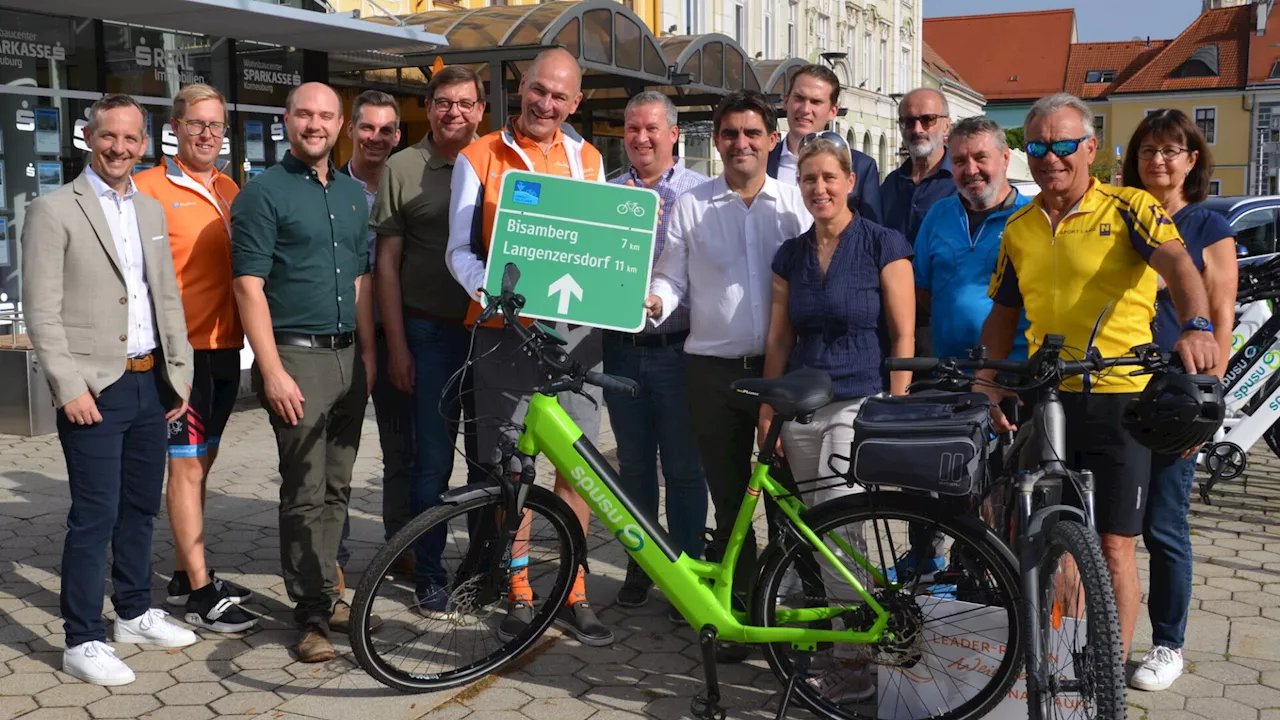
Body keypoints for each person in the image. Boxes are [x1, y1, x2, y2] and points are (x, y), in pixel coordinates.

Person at [977, 93, 1220, 663]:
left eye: (1064, 145)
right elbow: (1004, 313)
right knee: (1046, 539)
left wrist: (1198, 325)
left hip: (1120, 396)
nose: (1051, 157)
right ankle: (1056, 658)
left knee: (1114, 544)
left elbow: (1180, 264)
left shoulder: (1129, 205)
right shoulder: (1019, 227)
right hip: (1048, 397)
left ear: (1089, 148)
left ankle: (1103, 670)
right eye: (1037, 146)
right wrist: (986, 379)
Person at [24, 93, 197, 686]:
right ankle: (81, 638)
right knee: (94, 516)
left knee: (141, 507)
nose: (119, 148)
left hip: (153, 381)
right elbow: (41, 311)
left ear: (144, 143)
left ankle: (132, 610)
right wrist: (67, 386)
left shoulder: (149, 209)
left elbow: (164, 295)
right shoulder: (54, 209)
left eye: (130, 138)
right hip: (95, 387)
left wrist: (181, 371)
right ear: (88, 137)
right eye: (108, 137)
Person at [446, 48, 613, 646]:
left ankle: (573, 591)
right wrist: (494, 294)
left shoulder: (587, 158)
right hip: (504, 334)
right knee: (511, 468)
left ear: (576, 103)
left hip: (575, 335)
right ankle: (517, 588)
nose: (546, 104)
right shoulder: (479, 154)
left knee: (577, 467)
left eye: (559, 96)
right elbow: (458, 250)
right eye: (538, 90)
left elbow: (598, 246)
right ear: (521, 87)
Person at [646, 90, 812, 660]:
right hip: (712, 375)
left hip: (782, 377)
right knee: (730, 499)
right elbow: (671, 278)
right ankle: (739, 613)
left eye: (751, 133)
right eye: (729, 134)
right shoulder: (692, 205)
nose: (740, 143)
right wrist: (654, 302)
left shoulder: (796, 204)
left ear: (771, 139)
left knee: (789, 500)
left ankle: (794, 615)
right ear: (715, 142)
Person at [759, 136, 914, 701]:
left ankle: (857, 663)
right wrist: (768, 405)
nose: (819, 188)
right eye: (808, 180)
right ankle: (847, 644)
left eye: (829, 177)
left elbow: (901, 334)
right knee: (819, 534)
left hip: (858, 399)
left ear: (850, 180)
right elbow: (779, 336)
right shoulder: (791, 254)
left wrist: (894, 410)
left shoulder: (882, 243)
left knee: (838, 526)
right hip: (799, 406)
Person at [231, 82, 375, 663]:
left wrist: (368, 354)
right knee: (305, 489)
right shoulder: (262, 194)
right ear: (287, 120)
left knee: (337, 485)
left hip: (348, 359)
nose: (315, 125)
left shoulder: (351, 194)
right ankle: (311, 613)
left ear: (340, 124)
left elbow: (361, 280)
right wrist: (271, 371)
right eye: (304, 115)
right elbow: (248, 286)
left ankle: (330, 592)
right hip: (297, 359)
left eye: (326, 116)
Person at [134, 84, 257, 635]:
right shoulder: (147, 187)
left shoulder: (232, 187)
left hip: (227, 348)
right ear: (175, 128)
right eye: (196, 124)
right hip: (178, 355)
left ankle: (186, 571)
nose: (206, 134)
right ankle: (202, 593)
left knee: (202, 463)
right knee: (184, 467)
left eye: (216, 125)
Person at [1122, 110, 1237, 692]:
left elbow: (1220, 318)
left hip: (1177, 393)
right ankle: (1102, 632)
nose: (1158, 161)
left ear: (1192, 161)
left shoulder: (1207, 226)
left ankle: (1168, 644)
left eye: (1171, 150)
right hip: (1118, 386)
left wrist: (1207, 405)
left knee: (1164, 526)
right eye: (1148, 150)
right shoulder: (1120, 215)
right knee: (1112, 526)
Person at [373, 65, 487, 618]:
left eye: (466, 103)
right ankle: (430, 575)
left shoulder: (497, 161)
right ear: (430, 107)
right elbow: (386, 266)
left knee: (491, 463)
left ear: (481, 110)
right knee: (432, 464)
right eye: (444, 102)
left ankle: (483, 570)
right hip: (429, 332)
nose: (455, 113)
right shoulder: (403, 168)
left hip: (491, 336)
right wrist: (397, 345)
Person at [605, 90, 710, 617]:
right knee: (634, 467)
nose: (640, 138)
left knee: (686, 469)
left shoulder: (699, 193)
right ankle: (641, 565)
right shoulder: (605, 194)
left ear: (674, 134)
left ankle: (687, 570)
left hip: (678, 352)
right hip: (621, 352)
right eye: (631, 128)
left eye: (651, 129)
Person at [334, 89, 413, 594]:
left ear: (398, 136)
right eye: (368, 128)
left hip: (397, 335)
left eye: (387, 130)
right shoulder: (331, 187)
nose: (377, 138)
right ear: (351, 130)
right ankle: (333, 559)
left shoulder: (407, 184)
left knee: (403, 453)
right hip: (340, 338)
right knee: (337, 454)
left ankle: (400, 550)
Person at [914, 116, 1031, 364]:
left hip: (1014, 373)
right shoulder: (938, 215)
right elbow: (922, 288)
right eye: (959, 161)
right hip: (948, 371)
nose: (970, 170)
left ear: (1005, 158)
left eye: (981, 157)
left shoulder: (1030, 218)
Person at [767, 64, 881, 221]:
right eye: (799, 98)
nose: (805, 109)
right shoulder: (764, 161)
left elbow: (871, 234)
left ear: (833, 111)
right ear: (786, 102)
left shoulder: (860, 166)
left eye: (816, 102)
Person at [880, 88, 956, 247]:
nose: (917, 130)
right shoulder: (891, 184)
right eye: (908, 121)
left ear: (946, 126)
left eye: (928, 119)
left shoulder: (961, 183)